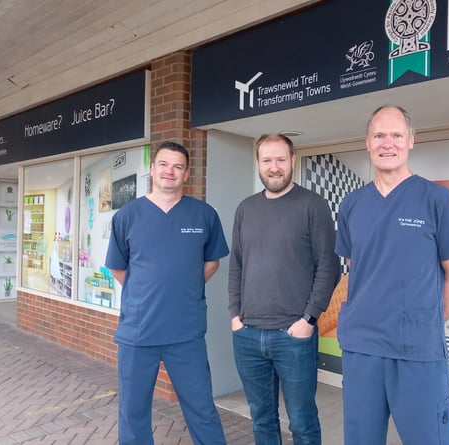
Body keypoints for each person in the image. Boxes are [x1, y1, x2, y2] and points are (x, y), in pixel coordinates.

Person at [335, 106, 449, 445]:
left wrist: (423, 322)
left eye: (396, 135)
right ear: (367, 143)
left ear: (411, 141)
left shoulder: (438, 200)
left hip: (416, 351)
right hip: (362, 348)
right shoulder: (352, 204)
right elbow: (360, 268)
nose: (388, 143)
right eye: (379, 135)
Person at [106, 141, 229, 445]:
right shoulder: (127, 216)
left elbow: (211, 262)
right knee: (133, 415)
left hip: (185, 334)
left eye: (177, 166)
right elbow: (119, 269)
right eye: (163, 164)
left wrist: (183, 286)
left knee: (202, 410)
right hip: (138, 334)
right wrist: (146, 292)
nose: (169, 172)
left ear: (187, 173)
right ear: (152, 168)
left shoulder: (204, 215)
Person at [228, 133, 340, 444]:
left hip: (294, 336)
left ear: (292, 160)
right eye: (267, 160)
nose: (274, 167)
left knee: (302, 421)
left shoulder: (313, 205)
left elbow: (328, 268)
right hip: (247, 335)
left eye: (280, 159)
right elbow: (236, 265)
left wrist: (309, 320)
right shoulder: (245, 209)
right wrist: (235, 316)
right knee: (261, 418)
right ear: (258, 164)